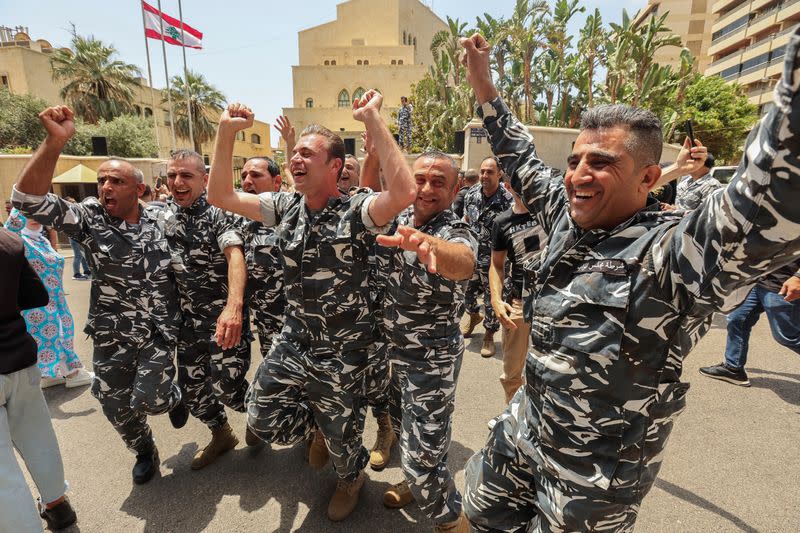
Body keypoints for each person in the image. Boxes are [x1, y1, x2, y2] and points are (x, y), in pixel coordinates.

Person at [458, 31, 800, 532]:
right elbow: (519, 156)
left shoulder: (675, 254)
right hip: (525, 428)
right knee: (479, 512)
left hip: (592, 475)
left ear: (648, 177)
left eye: (602, 162)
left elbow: (761, 206)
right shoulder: (563, 213)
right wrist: (484, 85)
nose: (578, 174)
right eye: (575, 160)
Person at [206, 90, 416, 522]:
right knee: (260, 417)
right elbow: (221, 196)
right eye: (294, 152)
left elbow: (404, 191)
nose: (295, 159)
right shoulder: (283, 207)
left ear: (334, 166)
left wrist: (373, 119)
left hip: (344, 348)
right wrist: (225, 132)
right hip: (295, 340)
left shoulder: (356, 211)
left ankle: (350, 477)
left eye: (307, 152)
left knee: (343, 442)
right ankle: (316, 425)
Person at [13, 105, 186, 485]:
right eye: (102, 180)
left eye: (116, 182)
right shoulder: (90, 219)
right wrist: (54, 142)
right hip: (113, 333)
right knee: (112, 401)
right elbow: (26, 201)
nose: (106, 187)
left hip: (158, 329)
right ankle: (144, 449)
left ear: (139, 189)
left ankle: (173, 397)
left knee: (150, 399)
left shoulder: (163, 217)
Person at [372, 150, 476, 533]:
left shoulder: (457, 230)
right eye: (420, 180)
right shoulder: (398, 218)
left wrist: (429, 245)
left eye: (439, 182)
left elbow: (464, 261)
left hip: (431, 362)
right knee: (405, 432)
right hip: (392, 353)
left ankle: (453, 521)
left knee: (422, 459)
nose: (427, 189)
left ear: (455, 189)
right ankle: (417, 488)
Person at [162, 149, 251, 469]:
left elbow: (235, 256)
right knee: (194, 393)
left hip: (222, 322)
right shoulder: (164, 216)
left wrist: (234, 307)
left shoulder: (218, 212)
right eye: (172, 175)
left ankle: (265, 417)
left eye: (186, 175)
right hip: (188, 325)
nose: (177, 182)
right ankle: (222, 434)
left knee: (229, 389)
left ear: (204, 179)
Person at [0, 227, 78, 532]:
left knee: (3, 471)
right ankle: (57, 504)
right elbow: (36, 294)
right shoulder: (8, 239)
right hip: (19, 356)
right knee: (37, 435)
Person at [4, 208, 93, 389]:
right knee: (52, 338)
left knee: (60, 335)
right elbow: (9, 230)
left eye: (38, 214)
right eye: (28, 214)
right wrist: (23, 202)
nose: (33, 219)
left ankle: (53, 374)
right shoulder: (19, 239)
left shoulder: (41, 240)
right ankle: (72, 373)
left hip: (56, 300)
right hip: (39, 304)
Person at [489, 182, 547, 404]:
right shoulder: (502, 222)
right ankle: (513, 418)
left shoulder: (551, 211)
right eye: (515, 181)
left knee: (552, 367)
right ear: (507, 185)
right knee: (512, 370)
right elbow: (496, 264)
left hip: (554, 298)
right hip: (519, 302)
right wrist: (495, 298)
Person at [700, 265, 800, 386]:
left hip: (783, 284)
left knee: (788, 337)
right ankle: (733, 368)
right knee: (737, 319)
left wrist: (798, 277)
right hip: (757, 281)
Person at [461, 156, 513, 357]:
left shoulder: (507, 201)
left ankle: (489, 335)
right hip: (472, 259)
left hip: (495, 261)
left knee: (493, 298)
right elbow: (466, 219)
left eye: (489, 172)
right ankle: (474, 315)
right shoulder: (471, 195)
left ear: (499, 173)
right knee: (466, 294)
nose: (484, 175)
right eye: (482, 171)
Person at [238, 155, 287, 361]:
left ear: (277, 182)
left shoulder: (291, 217)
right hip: (265, 323)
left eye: (256, 175)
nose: (247, 181)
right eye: (243, 176)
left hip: (297, 325)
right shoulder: (239, 219)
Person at [63, 196, 92, 280]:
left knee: (83, 254)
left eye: (74, 201)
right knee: (78, 255)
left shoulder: (76, 211)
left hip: (80, 236)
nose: (74, 203)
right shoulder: (68, 213)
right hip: (74, 237)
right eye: (72, 202)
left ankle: (86, 271)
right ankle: (76, 273)